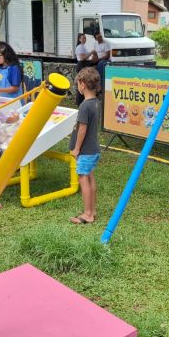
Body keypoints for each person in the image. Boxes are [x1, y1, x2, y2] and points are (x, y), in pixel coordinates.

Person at [69, 67, 101, 225]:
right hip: (93, 149)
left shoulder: (84, 106)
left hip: (85, 151)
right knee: (90, 177)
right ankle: (92, 210)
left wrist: (76, 149)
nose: (78, 87)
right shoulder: (96, 103)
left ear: (82, 84)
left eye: (77, 84)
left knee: (83, 178)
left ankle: (88, 214)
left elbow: (82, 129)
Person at [74, 33, 97, 105]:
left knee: (84, 84)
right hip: (81, 65)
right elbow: (82, 58)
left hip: (84, 65)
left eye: (85, 38)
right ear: (79, 39)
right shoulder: (80, 47)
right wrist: (91, 52)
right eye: (83, 38)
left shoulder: (83, 46)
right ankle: (79, 102)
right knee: (81, 84)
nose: (84, 39)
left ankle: (82, 101)